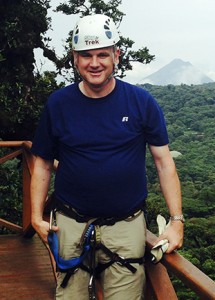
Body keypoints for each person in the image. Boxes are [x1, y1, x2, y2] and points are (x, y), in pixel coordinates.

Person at [30, 14, 184, 300]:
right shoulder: (59, 104)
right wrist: (36, 216)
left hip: (126, 225)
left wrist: (176, 220)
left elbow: (164, 163)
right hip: (70, 222)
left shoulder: (141, 102)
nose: (95, 63)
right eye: (86, 55)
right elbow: (41, 162)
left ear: (117, 55)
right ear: (75, 59)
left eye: (103, 54)